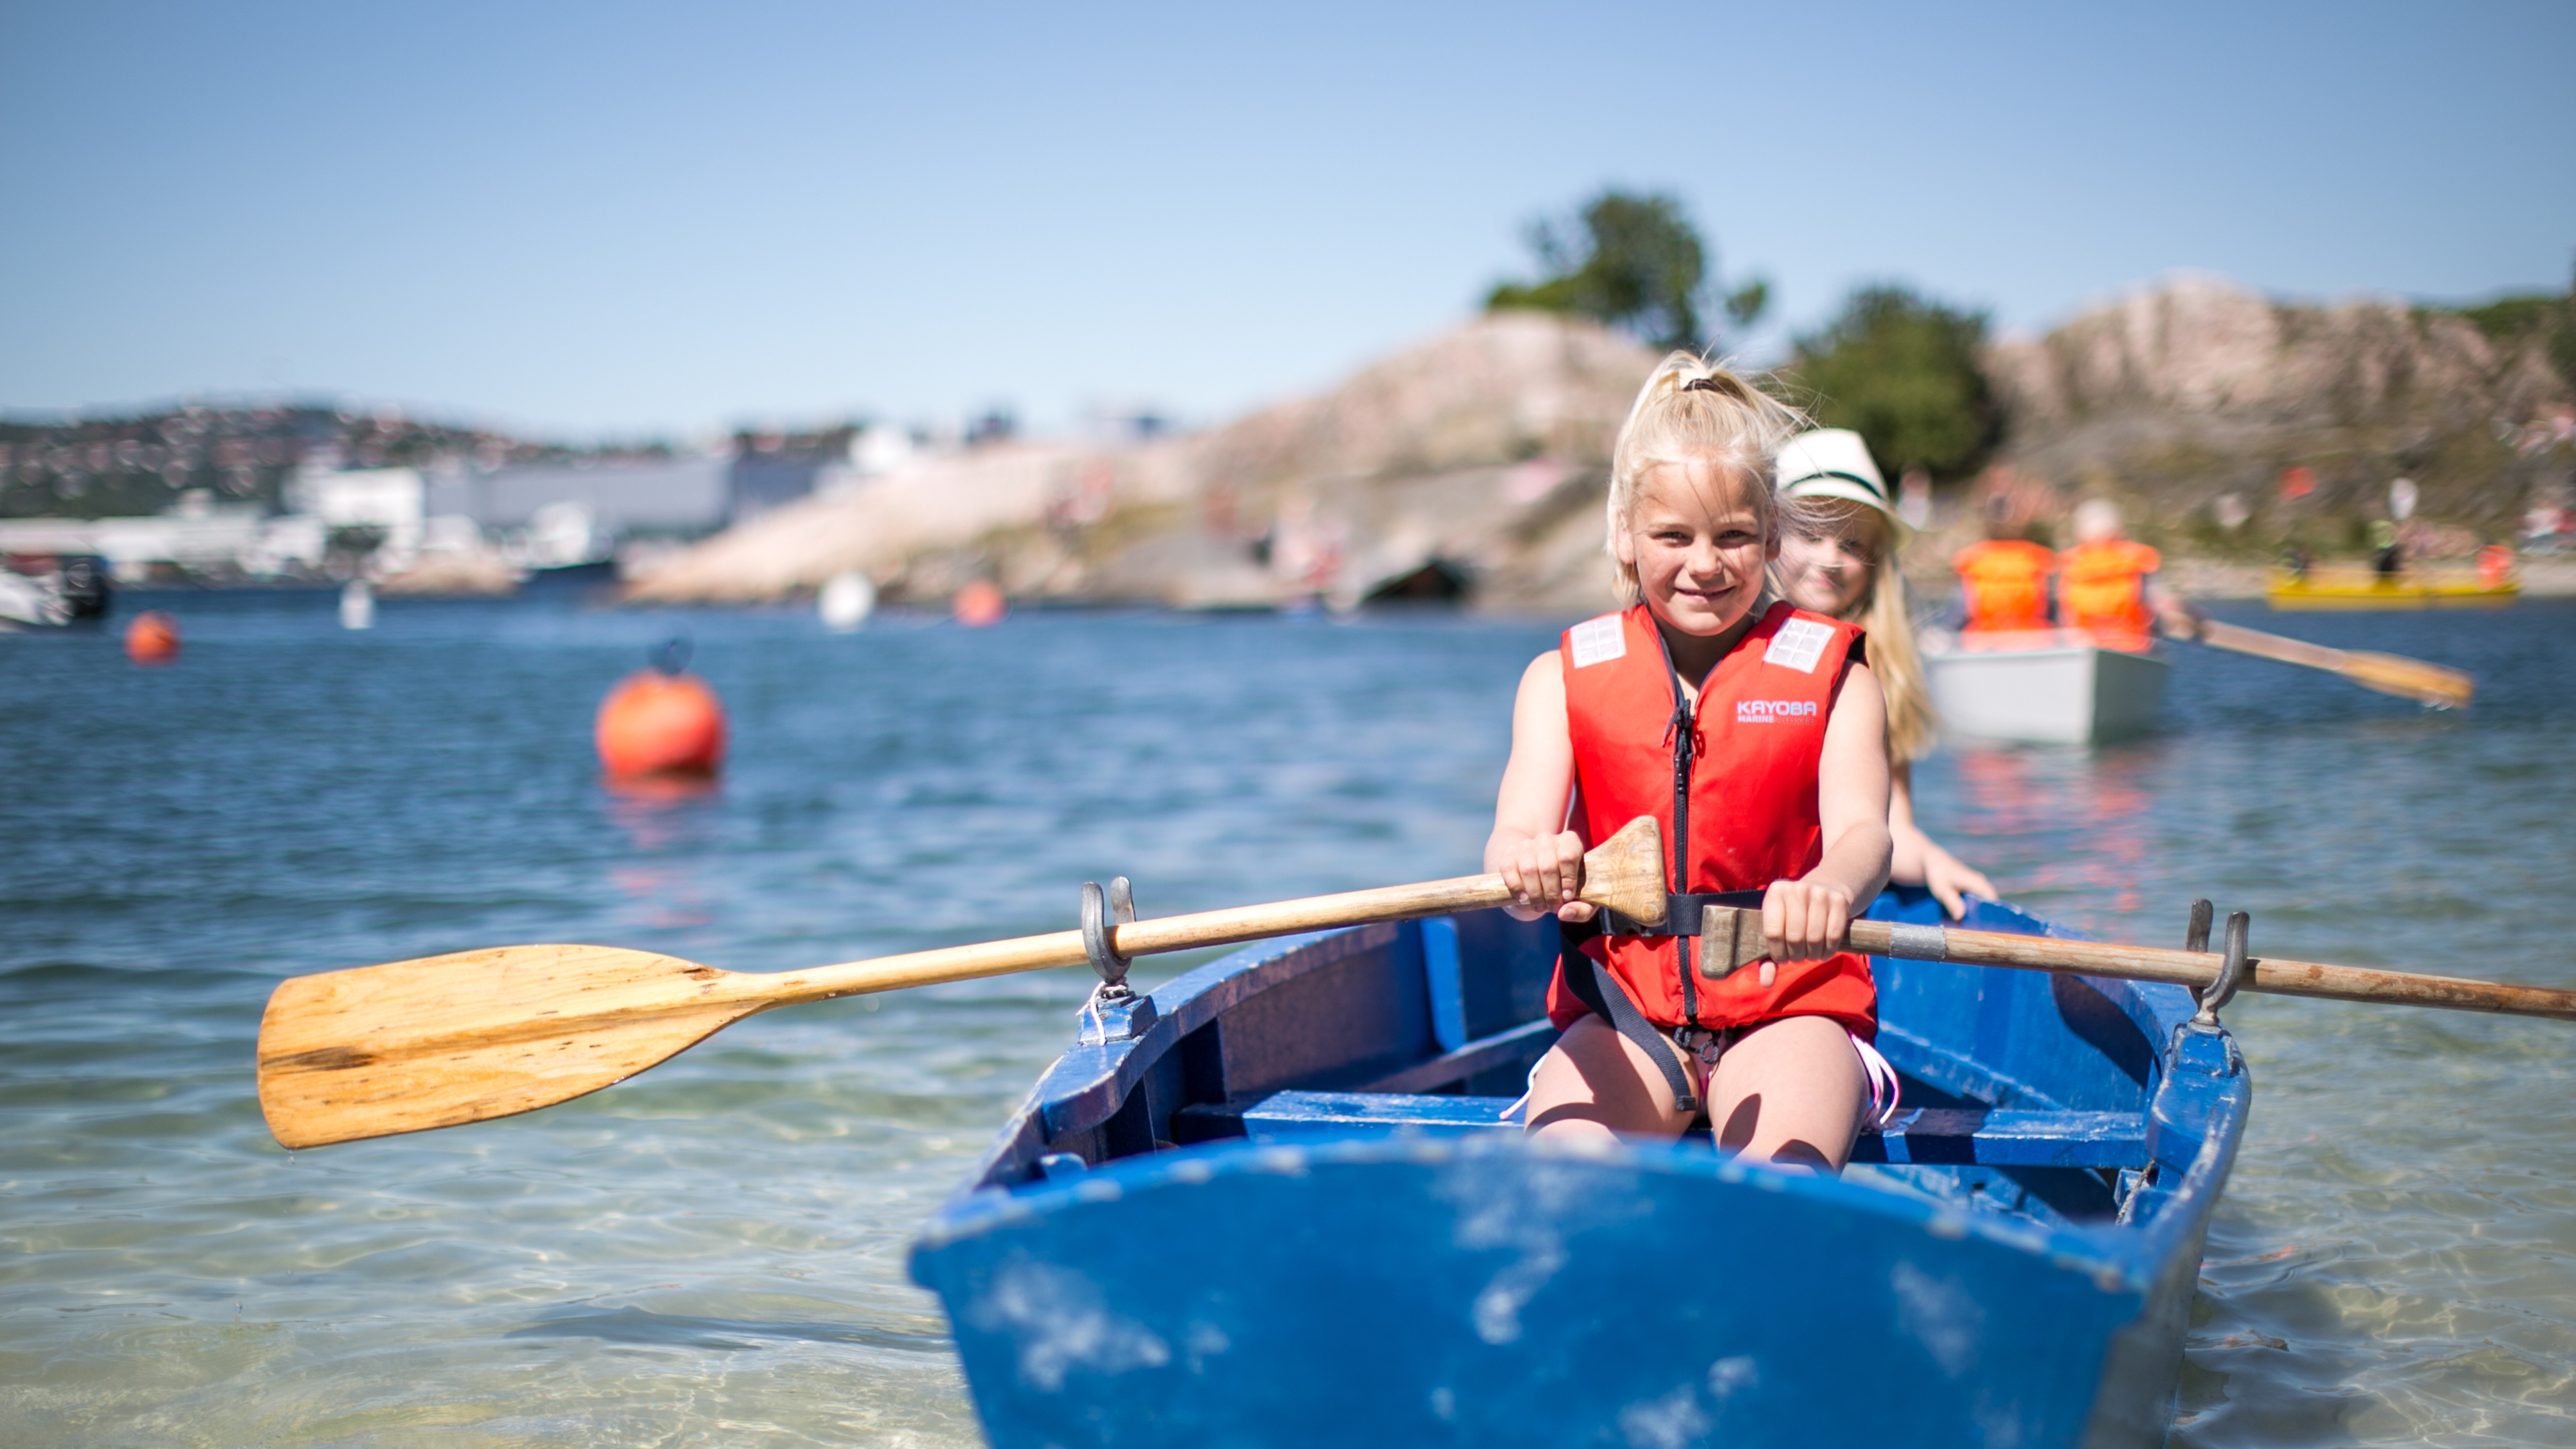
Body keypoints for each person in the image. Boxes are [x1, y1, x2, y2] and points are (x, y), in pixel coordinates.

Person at [1486, 356, 1896, 1173]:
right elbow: (1513, 838)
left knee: (1778, 1191)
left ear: (1773, 536)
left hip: (1789, 1010)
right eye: (1673, 537)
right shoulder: (1557, 681)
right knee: (1557, 1188)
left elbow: (1866, 835)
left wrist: (1832, 888)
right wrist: (1529, 864)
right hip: (1624, 1018)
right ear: (1625, 537)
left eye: (1734, 537)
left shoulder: (1840, 680)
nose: (1704, 564)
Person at [1771, 429, 1997, 919]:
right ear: (1770, 534)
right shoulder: (1726, 647)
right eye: (1811, 535)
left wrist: (1933, 858)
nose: (1829, 558)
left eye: (1851, 543)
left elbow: (1894, 823)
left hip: (1828, 908)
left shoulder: (1881, 668)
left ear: (1876, 561)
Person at [2058, 498, 2197, 649]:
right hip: (2132, 645)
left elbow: (2064, 615)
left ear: (2081, 533)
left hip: (2083, 646)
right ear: (2118, 530)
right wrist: (2193, 615)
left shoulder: (2071, 563)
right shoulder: (2136, 560)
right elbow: (2163, 602)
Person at [1950, 505, 2056, 633]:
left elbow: (1960, 610)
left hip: (1982, 640)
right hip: (2031, 638)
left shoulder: (1972, 560)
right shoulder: (2036, 558)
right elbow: (2049, 607)